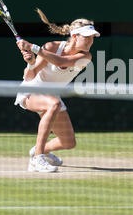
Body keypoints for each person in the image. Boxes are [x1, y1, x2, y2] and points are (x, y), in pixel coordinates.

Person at [15, 9, 100, 172]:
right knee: (53, 104)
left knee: (68, 142)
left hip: (51, 95)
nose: (90, 41)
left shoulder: (86, 57)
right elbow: (30, 75)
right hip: (31, 91)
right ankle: (37, 159)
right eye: (86, 37)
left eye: (92, 38)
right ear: (75, 36)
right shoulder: (51, 47)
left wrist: (33, 48)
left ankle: (39, 150)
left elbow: (62, 61)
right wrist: (31, 62)